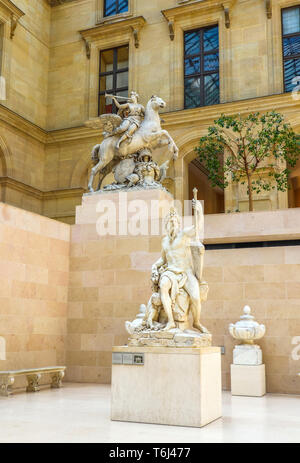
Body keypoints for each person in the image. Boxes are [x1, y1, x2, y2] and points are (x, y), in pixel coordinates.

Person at [151, 205, 208, 333]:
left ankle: (197, 322)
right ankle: (171, 321)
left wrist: (199, 211)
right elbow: (163, 259)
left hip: (186, 272)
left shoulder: (184, 234)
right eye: (170, 222)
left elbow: (198, 228)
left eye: (175, 221)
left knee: (195, 297)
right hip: (170, 272)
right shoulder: (164, 241)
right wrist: (154, 265)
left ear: (178, 223)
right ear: (167, 225)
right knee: (163, 285)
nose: (173, 224)